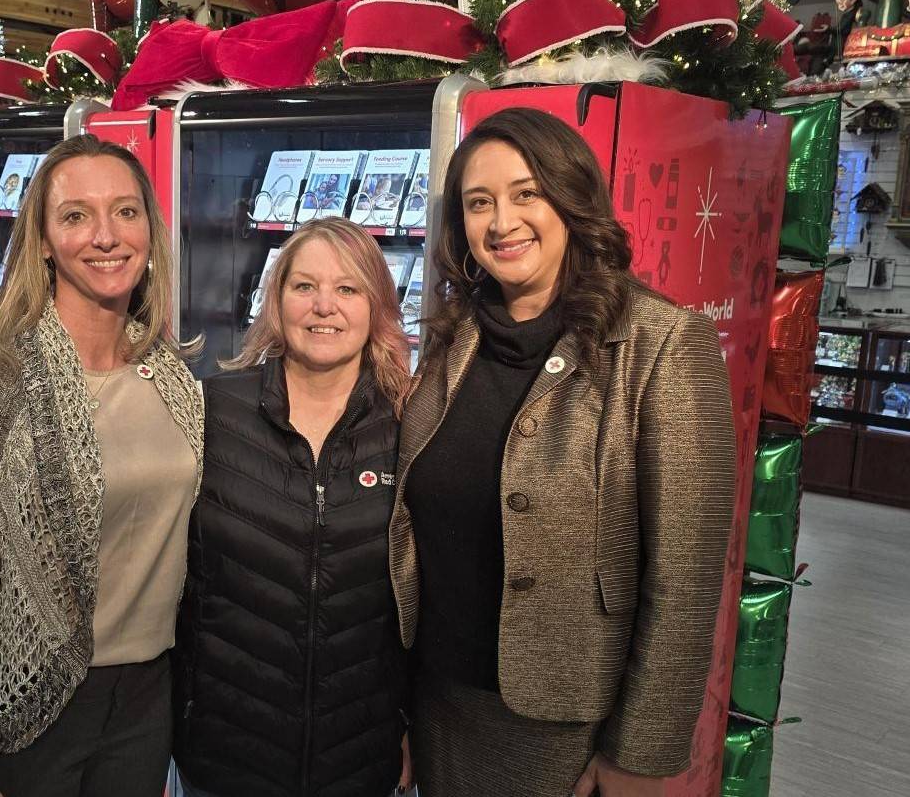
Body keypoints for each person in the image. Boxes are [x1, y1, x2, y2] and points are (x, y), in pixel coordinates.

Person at [390, 108, 736, 797]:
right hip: (437, 704)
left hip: (567, 725)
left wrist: (638, 755)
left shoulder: (661, 344)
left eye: (526, 194)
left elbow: (685, 579)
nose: (500, 222)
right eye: (477, 203)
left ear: (571, 199)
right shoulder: (451, 341)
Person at [0, 134, 204, 797]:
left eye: (125, 211)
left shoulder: (175, 379)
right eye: (75, 215)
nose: (105, 235)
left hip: (147, 697)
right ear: (41, 241)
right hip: (26, 706)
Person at [172, 218, 412, 797]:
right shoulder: (212, 413)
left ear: (377, 305)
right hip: (224, 752)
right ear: (276, 301)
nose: (323, 305)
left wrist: (412, 725)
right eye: (304, 286)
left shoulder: (411, 424)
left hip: (359, 756)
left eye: (348, 289)